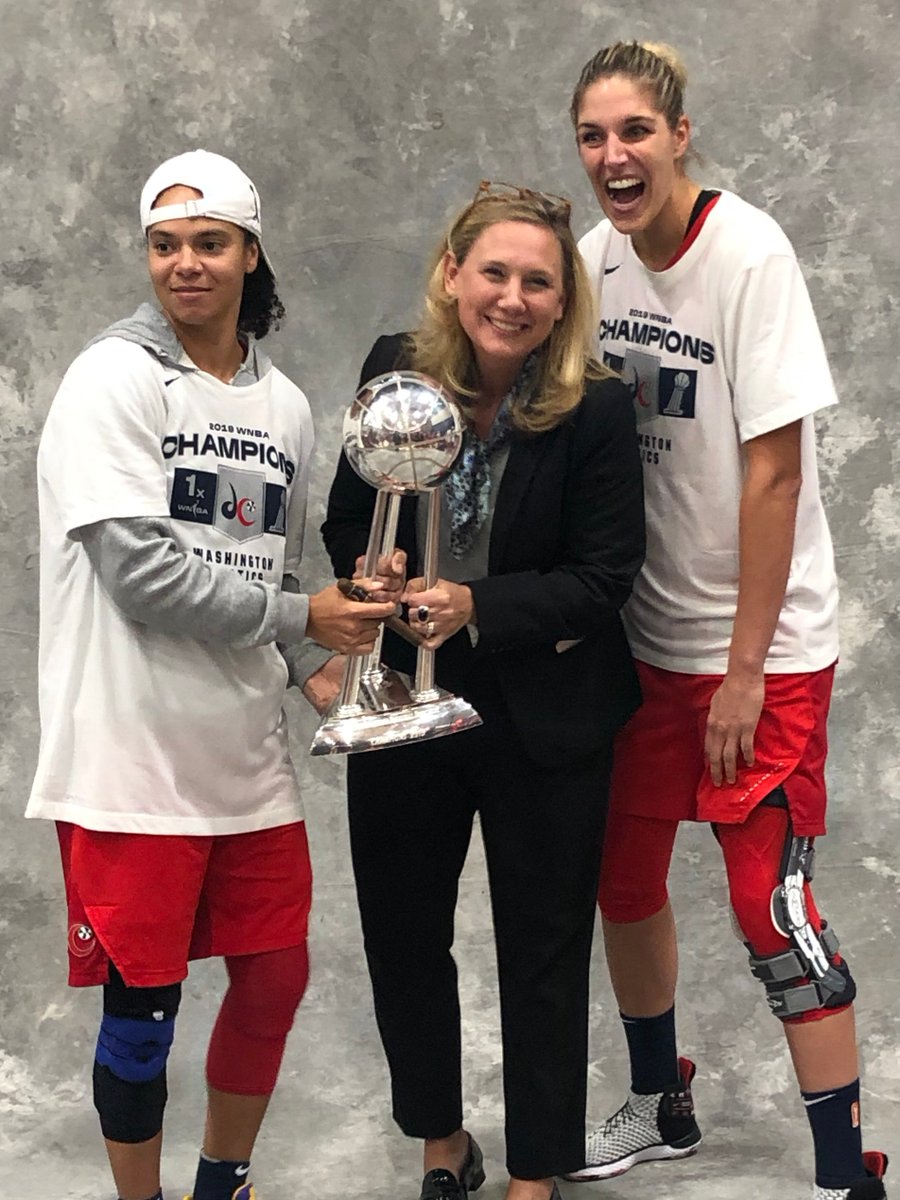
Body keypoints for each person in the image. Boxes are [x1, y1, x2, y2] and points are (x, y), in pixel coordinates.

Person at [26, 149, 394, 1200]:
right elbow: (145, 578)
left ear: (250, 253)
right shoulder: (114, 378)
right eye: (164, 244)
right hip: (128, 757)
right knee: (143, 1010)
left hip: (241, 758)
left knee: (274, 979)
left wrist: (309, 665)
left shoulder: (282, 405)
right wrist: (303, 614)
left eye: (209, 243)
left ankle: (221, 1184)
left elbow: (257, 571)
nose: (185, 264)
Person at [563, 40, 888, 1200]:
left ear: (679, 133)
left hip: (763, 650)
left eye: (635, 131)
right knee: (623, 875)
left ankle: (848, 1172)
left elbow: (774, 478)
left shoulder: (748, 254)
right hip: (646, 645)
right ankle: (663, 1103)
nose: (615, 156)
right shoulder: (595, 260)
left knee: (770, 903)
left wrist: (745, 671)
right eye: (594, 136)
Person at [319, 182, 645, 1200]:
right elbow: (345, 515)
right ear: (452, 274)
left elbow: (604, 576)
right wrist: (367, 576)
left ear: (563, 300)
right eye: (493, 272)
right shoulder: (394, 371)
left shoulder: (596, 403)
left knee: (541, 943)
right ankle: (441, 1143)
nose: (512, 296)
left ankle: (536, 1170)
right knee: (404, 932)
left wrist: (477, 604)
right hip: (406, 703)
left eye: (537, 281)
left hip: (544, 710)